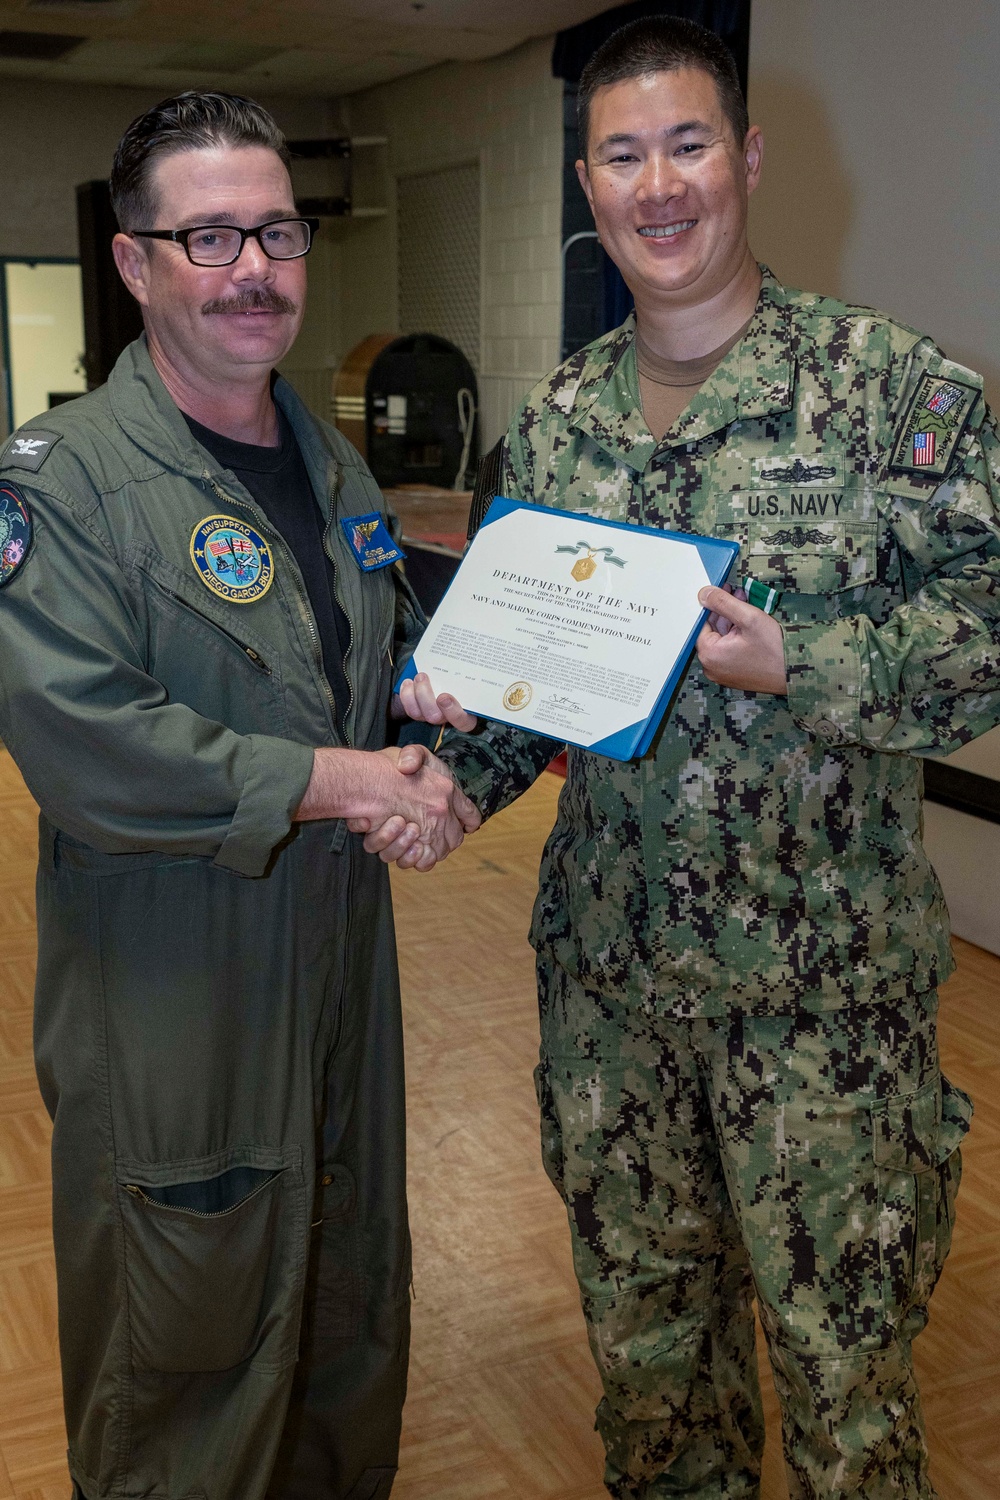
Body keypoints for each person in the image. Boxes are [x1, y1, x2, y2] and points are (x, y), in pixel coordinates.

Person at [379, 16, 1000, 1500]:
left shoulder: (890, 396)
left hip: (822, 1024)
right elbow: (538, 684)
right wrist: (453, 777)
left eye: (689, 143)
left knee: (851, 1415)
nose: (659, 185)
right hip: (614, 1010)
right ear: (589, 185)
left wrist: (810, 661)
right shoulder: (562, 418)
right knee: (657, 1400)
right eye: (622, 154)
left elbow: (987, 635)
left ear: (748, 158)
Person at [0, 92, 477, 1500]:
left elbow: (343, 657)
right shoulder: (62, 483)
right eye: (206, 237)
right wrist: (343, 779)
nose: (252, 267)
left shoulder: (328, 464)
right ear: (134, 263)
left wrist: (418, 705)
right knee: (185, 1361)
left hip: (338, 972)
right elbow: (87, 742)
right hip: (175, 996)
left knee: (344, 1317)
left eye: (275, 230)